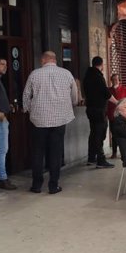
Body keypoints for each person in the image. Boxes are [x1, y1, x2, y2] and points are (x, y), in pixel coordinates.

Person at [22, 51, 78, 194]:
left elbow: (26, 96)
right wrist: (70, 105)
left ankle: (36, 185)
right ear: (54, 60)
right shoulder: (67, 74)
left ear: (43, 60)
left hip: (39, 120)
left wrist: (28, 110)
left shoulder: (34, 74)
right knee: (56, 153)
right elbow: (74, 96)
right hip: (60, 119)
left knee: (37, 152)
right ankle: (53, 186)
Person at [83, 56, 116, 169]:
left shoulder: (87, 76)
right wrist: (117, 102)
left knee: (93, 134)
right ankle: (101, 160)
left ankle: (91, 158)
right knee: (99, 135)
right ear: (101, 65)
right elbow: (106, 93)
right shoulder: (97, 77)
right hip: (98, 110)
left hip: (91, 109)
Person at [0, 58, 16, 190]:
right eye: (2, 64)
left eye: (6, 64)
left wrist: (7, 106)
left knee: (3, 149)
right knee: (2, 150)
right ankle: (2, 178)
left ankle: (2, 177)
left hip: (2, 118)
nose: (5, 66)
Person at [107, 73, 126, 159]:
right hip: (112, 115)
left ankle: (124, 151)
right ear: (111, 81)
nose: (115, 81)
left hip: (122, 115)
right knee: (114, 134)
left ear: (119, 80)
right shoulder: (108, 90)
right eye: (113, 79)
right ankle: (114, 152)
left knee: (124, 134)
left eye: (116, 79)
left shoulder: (125, 89)